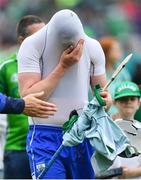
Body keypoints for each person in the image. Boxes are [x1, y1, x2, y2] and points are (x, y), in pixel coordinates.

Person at [18, 9, 112, 179]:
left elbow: (103, 97)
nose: (70, 47)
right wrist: (62, 67)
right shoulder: (31, 45)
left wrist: (106, 100)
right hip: (45, 136)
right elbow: (28, 100)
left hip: (81, 134)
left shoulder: (93, 47)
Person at [0, 15, 57, 179]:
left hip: (49, 146)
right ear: (21, 40)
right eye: (36, 36)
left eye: (46, 35)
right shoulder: (6, 67)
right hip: (17, 148)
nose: (43, 41)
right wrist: (21, 105)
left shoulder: (56, 65)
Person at [111, 81, 141, 179]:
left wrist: (132, 173)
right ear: (114, 102)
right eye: (123, 99)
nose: (128, 101)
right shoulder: (106, 129)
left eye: (132, 99)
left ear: (139, 103)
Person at [99, 36, 131, 116]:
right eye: (115, 50)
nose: (119, 52)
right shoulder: (98, 73)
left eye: (119, 49)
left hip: (122, 116)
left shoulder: (122, 71)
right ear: (106, 52)